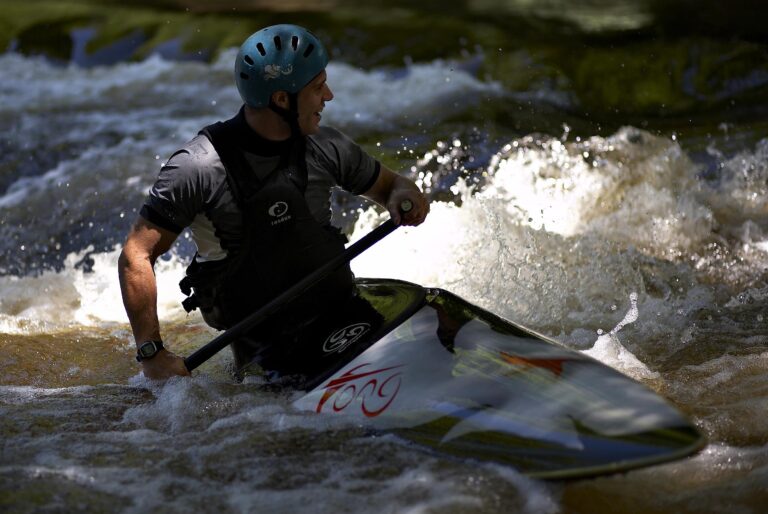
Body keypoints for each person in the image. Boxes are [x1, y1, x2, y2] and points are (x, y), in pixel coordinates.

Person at [118, 24, 429, 381]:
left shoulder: (326, 146)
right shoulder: (197, 168)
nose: (328, 95)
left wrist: (404, 195)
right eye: (316, 88)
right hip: (263, 356)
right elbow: (136, 255)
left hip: (346, 314)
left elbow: (393, 187)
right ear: (282, 100)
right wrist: (151, 353)